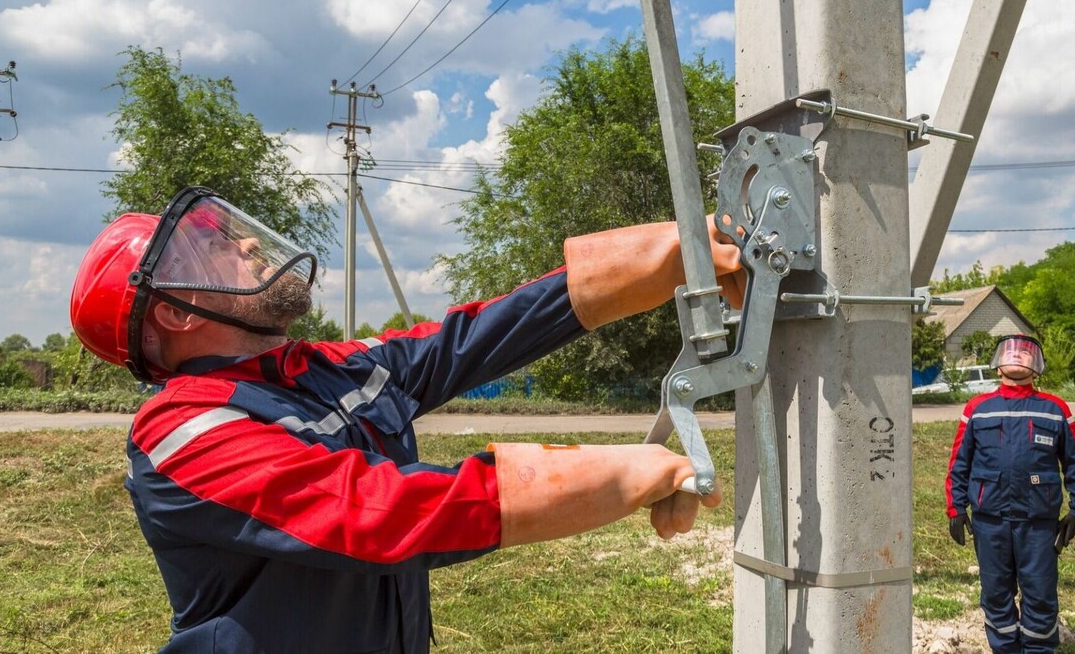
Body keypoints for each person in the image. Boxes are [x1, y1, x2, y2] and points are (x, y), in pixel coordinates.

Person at [69, 186, 746, 653]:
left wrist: (668, 254)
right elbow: (378, 511)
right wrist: (619, 470)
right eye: (208, 249)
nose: (246, 245)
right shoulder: (184, 431)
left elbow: (472, 337)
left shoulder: (323, 369)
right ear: (174, 313)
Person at [944, 334, 1075, 653]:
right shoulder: (978, 409)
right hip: (990, 522)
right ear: (998, 363)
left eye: (1026, 353)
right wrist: (956, 509)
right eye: (1010, 351)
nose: (1018, 356)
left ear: (1037, 366)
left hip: (1038, 524)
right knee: (996, 594)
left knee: (1040, 594)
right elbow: (959, 462)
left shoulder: (1054, 409)